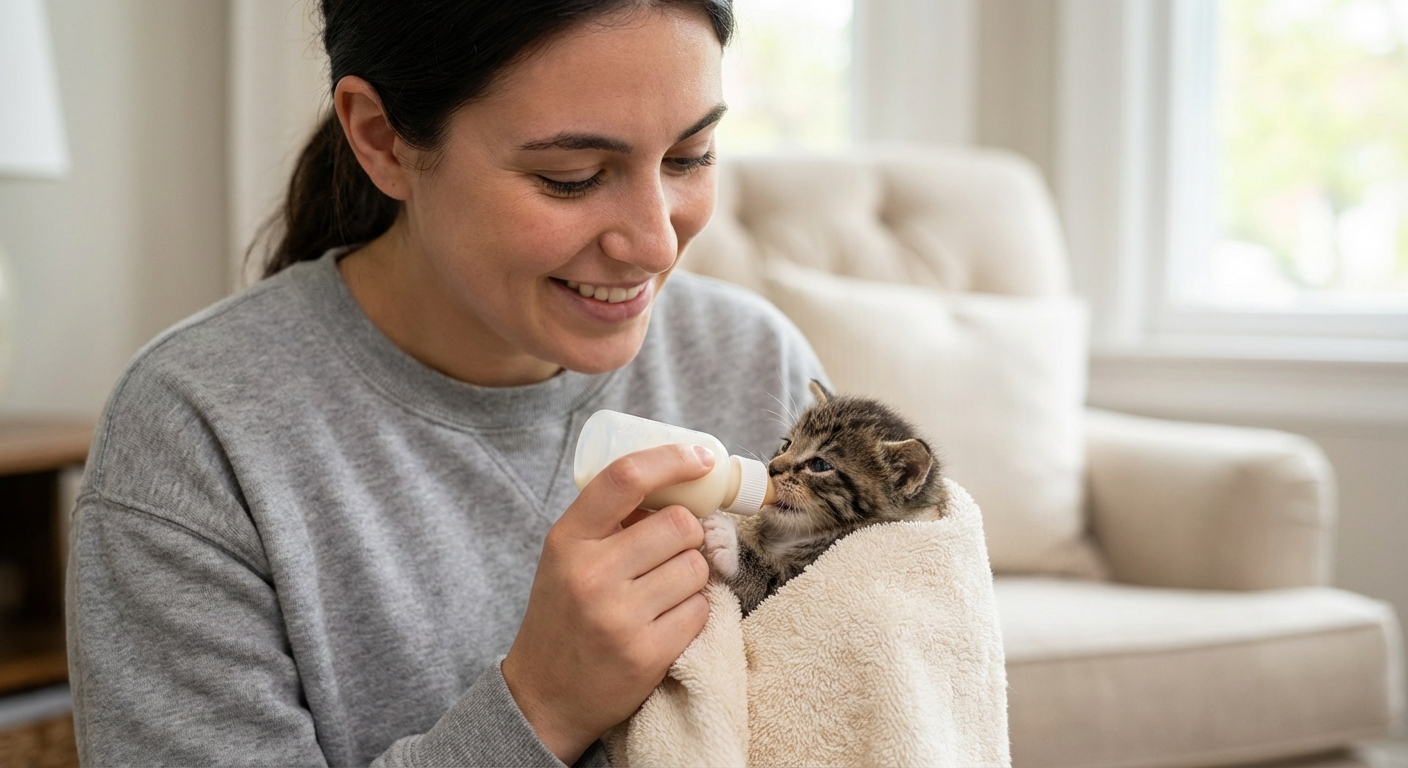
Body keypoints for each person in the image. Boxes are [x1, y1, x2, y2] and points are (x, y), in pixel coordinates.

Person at [65, 1, 826, 765]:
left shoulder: (755, 363)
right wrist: (543, 705)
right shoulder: (199, 434)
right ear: (380, 138)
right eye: (573, 178)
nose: (656, 242)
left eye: (689, 156)